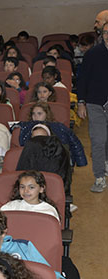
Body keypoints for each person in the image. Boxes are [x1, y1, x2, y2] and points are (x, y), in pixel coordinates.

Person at [78, 9, 108, 192]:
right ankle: (99, 176)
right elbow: (83, 80)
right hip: (95, 103)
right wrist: (81, 102)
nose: (107, 36)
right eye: (105, 32)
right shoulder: (93, 54)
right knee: (97, 140)